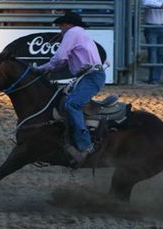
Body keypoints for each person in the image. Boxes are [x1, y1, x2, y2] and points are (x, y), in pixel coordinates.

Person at [33, 12, 106, 165]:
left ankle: (85, 145)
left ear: (67, 24)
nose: (60, 29)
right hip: (88, 76)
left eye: (61, 25)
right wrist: (45, 68)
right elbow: (62, 61)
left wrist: (40, 69)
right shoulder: (79, 34)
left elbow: (60, 58)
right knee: (67, 102)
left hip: (90, 77)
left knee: (72, 104)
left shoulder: (72, 33)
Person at [142, 0, 163, 85]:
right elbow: (145, 2)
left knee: (160, 53)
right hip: (151, 26)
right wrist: (162, 5)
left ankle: (155, 78)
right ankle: (154, 78)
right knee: (153, 53)